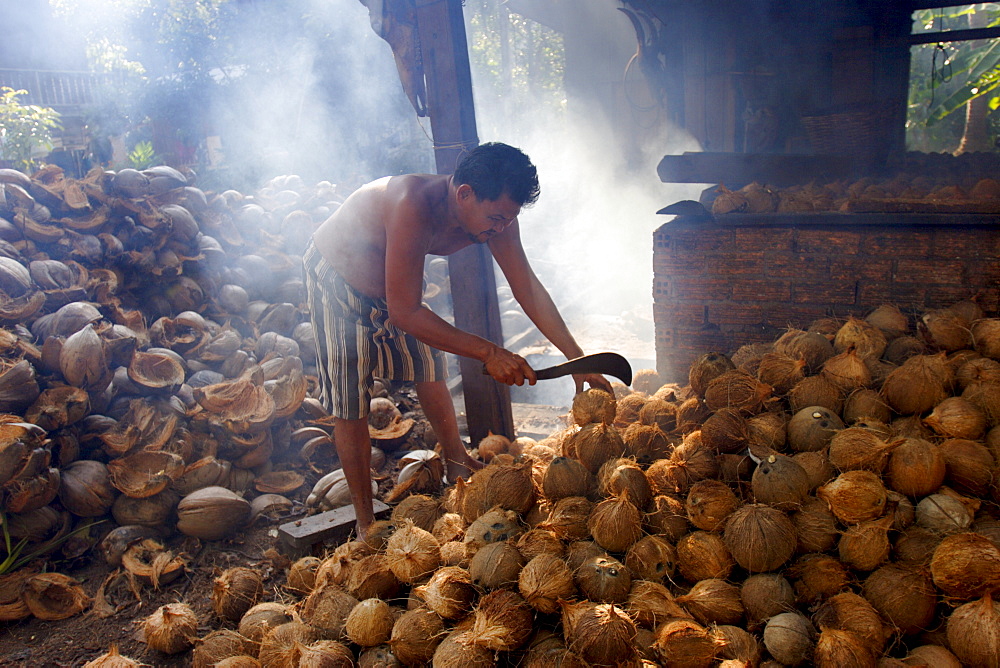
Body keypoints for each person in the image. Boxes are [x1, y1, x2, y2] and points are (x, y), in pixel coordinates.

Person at [303, 142, 612, 534]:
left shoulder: (495, 218)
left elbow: (527, 287)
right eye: (496, 217)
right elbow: (406, 312)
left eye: (508, 219)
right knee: (351, 403)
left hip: (394, 284)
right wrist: (488, 352)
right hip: (337, 281)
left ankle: (456, 460)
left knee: (430, 363)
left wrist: (576, 359)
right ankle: (366, 521)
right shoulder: (411, 204)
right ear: (464, 193)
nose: (501, 228)